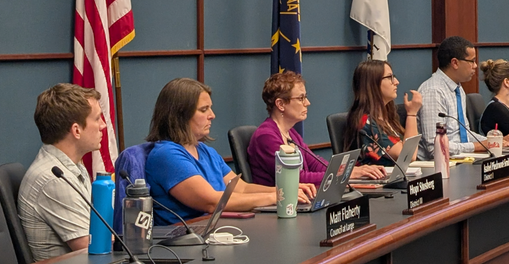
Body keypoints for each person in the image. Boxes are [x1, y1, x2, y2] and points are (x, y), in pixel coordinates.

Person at [144, 78, 314, 224]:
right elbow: (212, 202)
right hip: (187, 241)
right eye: (204, 110)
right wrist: (275, 197)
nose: (212, 115)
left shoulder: (204, 150)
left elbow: (242, 189)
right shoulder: (166, 155)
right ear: (180, 115)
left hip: (215, 231)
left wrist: (286, 189)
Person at [248, 70, 386, 185]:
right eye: (301, 98)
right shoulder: (266, 136)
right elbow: (295, 178)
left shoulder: (290, 133)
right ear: (280, 104)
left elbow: (316, 164)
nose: (307, 103)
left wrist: (351, 170)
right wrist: (345, 174)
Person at [16, 84, 103, 261]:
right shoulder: (53, 179)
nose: (103, 125)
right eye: (97, 118)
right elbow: (95, 247)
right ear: (76, 130)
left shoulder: (71, 166)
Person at [417, 37, 509, 159]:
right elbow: (435, 146)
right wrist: (477, 146)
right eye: (472, 61)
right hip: (439, 166)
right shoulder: (433, 91)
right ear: (455, 63)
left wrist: (495, 141)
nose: (475, 66)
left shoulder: (457, 89)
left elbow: (464, 134)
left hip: (461, 158)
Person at [342, 60, 422, 168]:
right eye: (390, 77)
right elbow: (407, 156)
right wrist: (412, 114)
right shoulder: (365, 122)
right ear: (372, 83)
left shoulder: (386, 115)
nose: (396, 81)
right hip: (375, 182)